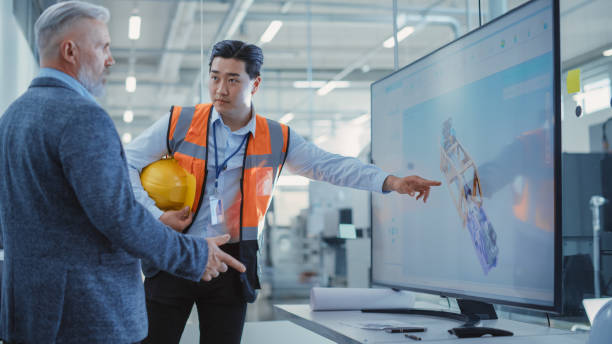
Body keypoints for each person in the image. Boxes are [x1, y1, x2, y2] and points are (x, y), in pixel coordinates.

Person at [125, 39, 441, 344]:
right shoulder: (181, 122)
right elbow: (125, 163)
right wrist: (154, 217)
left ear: (255, 84)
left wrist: (391, 181)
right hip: (176, 254)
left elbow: (327, 165)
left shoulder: (276, 137)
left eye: (233, 80)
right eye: (215, 77)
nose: (221, 89)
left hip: (231, 263)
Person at [0, 2, 245, 343]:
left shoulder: (11, 118)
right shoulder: (82, 117)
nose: (110, 59)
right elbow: (119, 217)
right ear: (70, 51)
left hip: (27, 313)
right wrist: (194, 254)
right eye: (103, 46)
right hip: (85, 315)